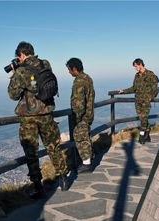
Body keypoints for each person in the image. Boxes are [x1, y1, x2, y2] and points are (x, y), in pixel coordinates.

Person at [7, 41, 68, 198]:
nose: (17, 60)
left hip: (29, 118)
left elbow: (13, 95)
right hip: (47, 113)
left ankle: (37, 187)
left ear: (22, 54)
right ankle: (63, 179)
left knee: (31, 152)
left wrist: (15, 73)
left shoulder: (21, 72)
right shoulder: (45, 63)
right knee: (53, 146)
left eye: (18, 57)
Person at [118, 58, 159, 144]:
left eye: (136, 66)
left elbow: (155, 88)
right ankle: (147, 134)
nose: (135, 68)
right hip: (138, 100)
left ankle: (142, 136)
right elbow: (134, 88)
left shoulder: (150, 74)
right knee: (142, 118)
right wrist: (124, 91)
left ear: (140, 64)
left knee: (143, 117)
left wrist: (149, 98)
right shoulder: (137, 75)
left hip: (146, 101)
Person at [66, 58, 95, 173]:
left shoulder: (79, 81)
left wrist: (76, 116)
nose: (69, 72)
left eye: (69, 69)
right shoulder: (87, 77)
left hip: (82, 116)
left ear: (74, 69)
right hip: (89, 113)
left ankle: (86, 164)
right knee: (85, 136)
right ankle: (88, 159)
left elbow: (78, 103)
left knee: (80, 137)